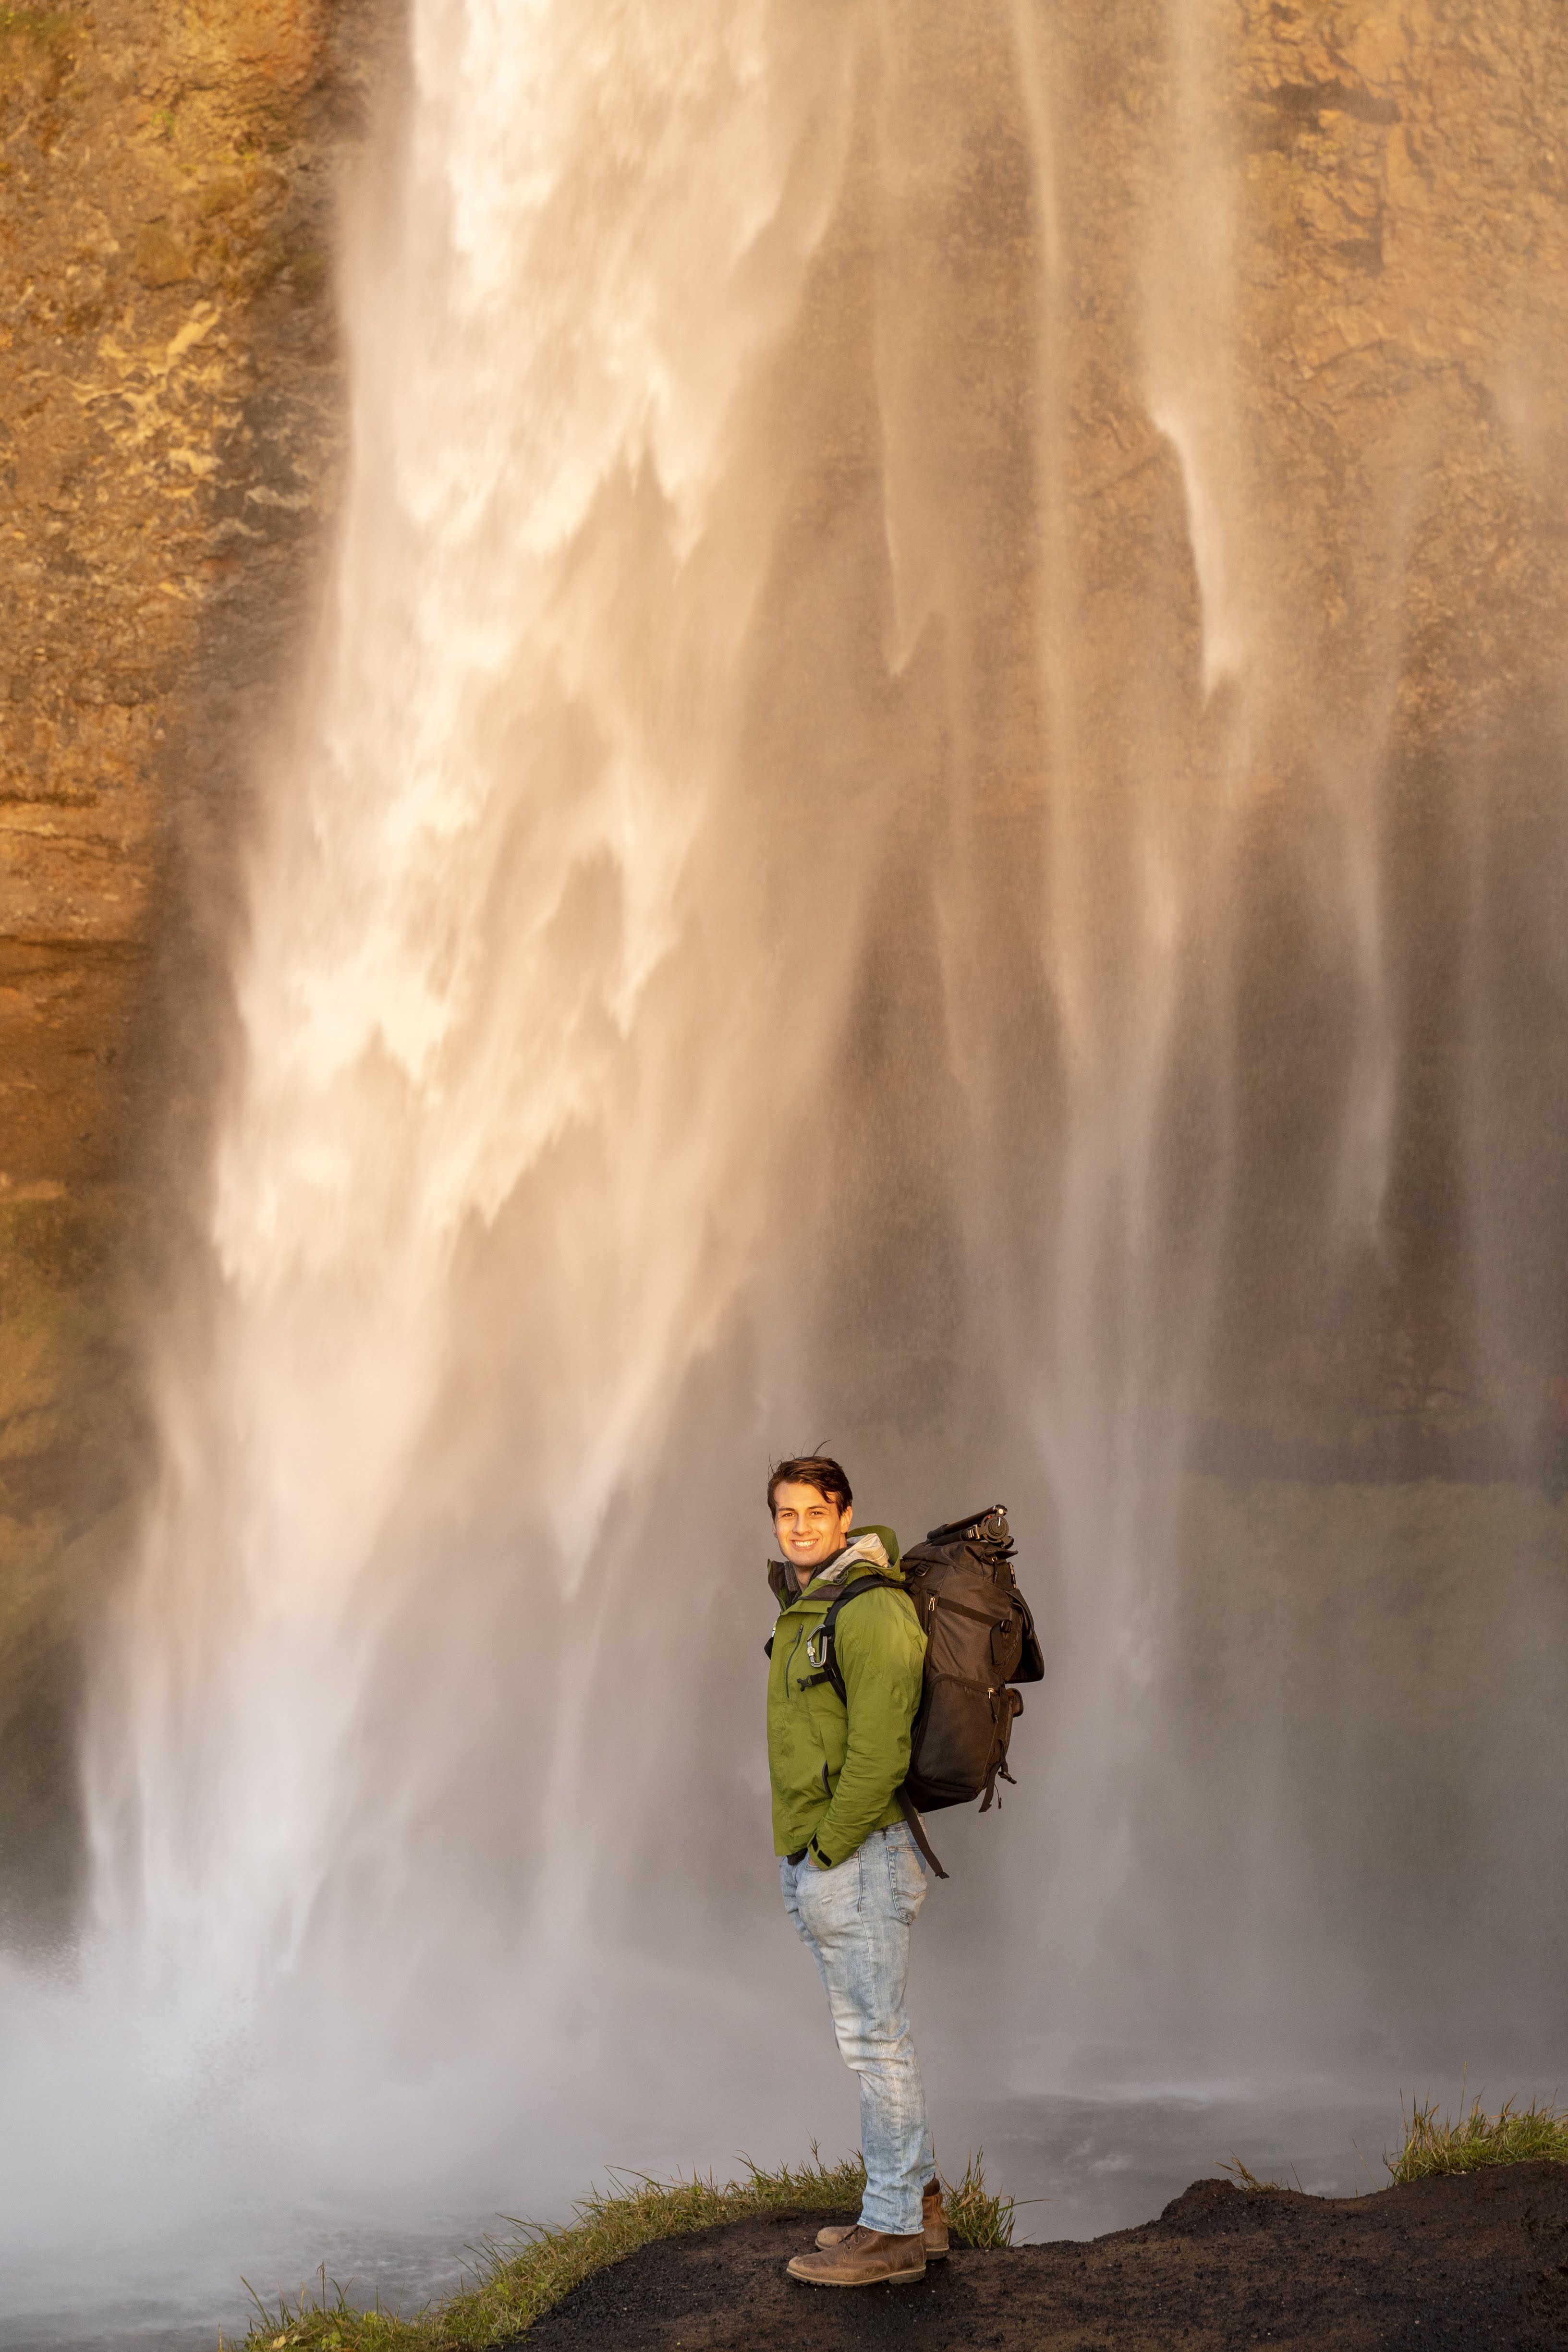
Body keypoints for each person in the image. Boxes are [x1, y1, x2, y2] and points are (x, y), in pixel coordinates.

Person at [764, 1453, 948, 2287]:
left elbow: (880, 1751)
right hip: (823, 1851)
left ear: (846, 1516)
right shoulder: (814, 1603)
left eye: (814, 1511)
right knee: (871, 2039)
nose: (798, 1526)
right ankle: (915, 2201)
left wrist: (830, 1849)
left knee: (877, 2043)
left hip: (860, 1855)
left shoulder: (870, 1609)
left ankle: (894, 2233)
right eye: (785, 1513)